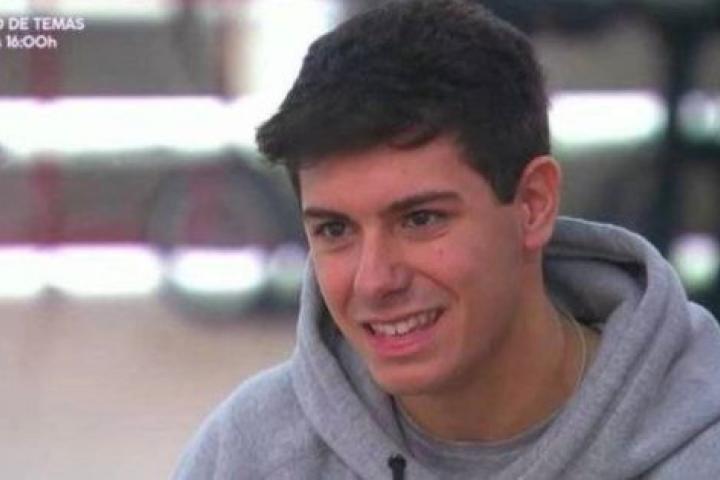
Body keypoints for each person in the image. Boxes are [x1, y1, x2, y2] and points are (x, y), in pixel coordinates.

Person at [173, 1, 720, 478]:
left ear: (533, 204)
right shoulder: (247, 455)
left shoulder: (700, 448)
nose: (374, 280)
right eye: (335, 230)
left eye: (420, 219)